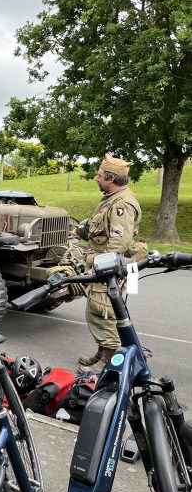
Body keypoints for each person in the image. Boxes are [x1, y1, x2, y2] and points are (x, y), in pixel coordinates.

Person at [76, 154, 142, 375]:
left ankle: (108, 360)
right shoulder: (112, 198)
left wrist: (100, 266)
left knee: (103, 313)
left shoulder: (122, 203)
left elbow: (119, 242)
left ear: (111, 177)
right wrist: (81, 231)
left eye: (99, 174)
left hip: (108, 269)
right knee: (97, 310)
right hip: (104, 267)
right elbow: (102, 229)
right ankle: (102, 351)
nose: (96, 178)